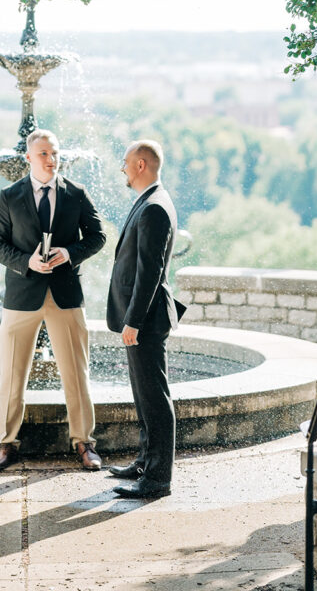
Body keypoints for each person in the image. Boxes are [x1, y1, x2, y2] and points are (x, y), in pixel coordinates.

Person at [0, 129, 106, 471]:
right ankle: (7, 444)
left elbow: (98, 237)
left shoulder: (76, 194)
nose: (51, 159)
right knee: (11, 374)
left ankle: (84, 442)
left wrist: (69, 253)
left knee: (76, 373)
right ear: (28, 157)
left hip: (65, 296)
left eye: (54, 153)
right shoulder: (9, 196)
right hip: (21, 296)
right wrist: (27, 261)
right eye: (43, 154)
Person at [106, 139, 179, 499]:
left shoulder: (154, 207)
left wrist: (132, 321)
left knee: (154, 397)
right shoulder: (151, 201)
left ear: (140, 165)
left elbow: (149, 272)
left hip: (146, 321)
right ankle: (145, 463)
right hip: (141, 319)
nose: (122, 168)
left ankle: (157, 480)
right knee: (144, 394)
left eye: (125, 162)